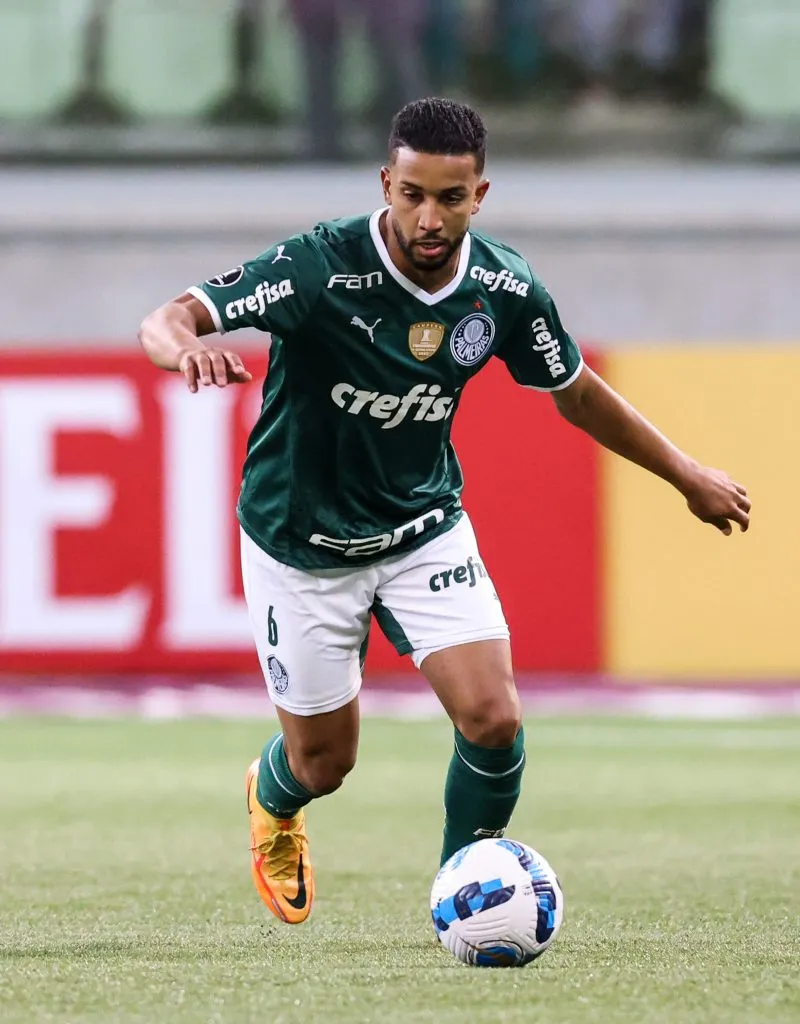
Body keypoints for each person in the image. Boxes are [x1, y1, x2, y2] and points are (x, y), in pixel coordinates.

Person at [138, 97, 750, 925]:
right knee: (324, 764)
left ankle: (463, 894)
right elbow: (168, 319)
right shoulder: (321, 266)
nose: (430, 218)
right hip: (302, 541)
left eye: (451, 199)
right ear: (387, 183)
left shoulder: (503, 286)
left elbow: (573, 392)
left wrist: (685, 474)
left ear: (481, 195)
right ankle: (272, 802)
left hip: (424, 526)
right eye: (414, 194)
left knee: (494, 718)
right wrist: (190, 351)